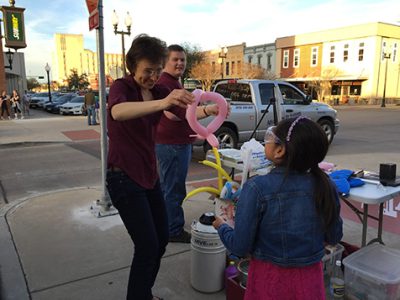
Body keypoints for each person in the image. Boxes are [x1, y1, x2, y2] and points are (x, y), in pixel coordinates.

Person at [213, 116, 343, 300]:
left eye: (269, 139)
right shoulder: (326, 185)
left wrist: (221, 226)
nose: (265, 142)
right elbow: (334, 236)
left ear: (280, 150)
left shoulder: (256, 187)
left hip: (269, 281)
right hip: (310, 280)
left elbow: (240, 246)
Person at [106, 34, 194, 300]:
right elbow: (117, 112)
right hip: (123, 178)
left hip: (149, 176)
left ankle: (143, 293)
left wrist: (211, 109)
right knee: (146, 246)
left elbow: (186, 114)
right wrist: (162, 103)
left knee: (161, 240)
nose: (153, 76)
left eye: (157, 70)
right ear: (132, 65)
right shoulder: (122, 87)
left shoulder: (159, 92)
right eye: (147, 70)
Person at [155, 44, 220, 243]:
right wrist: (209, 110)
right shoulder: (167, 84)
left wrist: (209, 110)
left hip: (173, 144)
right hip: (172, 146)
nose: (180, 63)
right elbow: (176, 115)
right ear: (165, 61)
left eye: (182, 59)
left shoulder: (173, 82)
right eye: (175, 59)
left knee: (168, 187)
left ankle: (166, 225)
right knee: (173, 189)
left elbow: (184, 114)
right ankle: (173, 230)